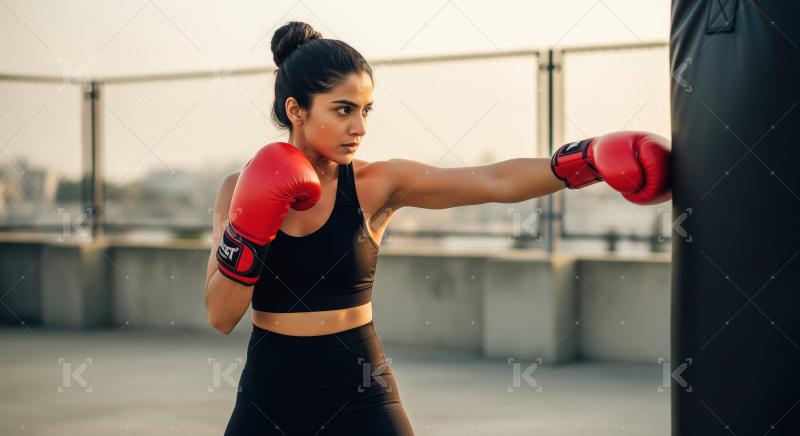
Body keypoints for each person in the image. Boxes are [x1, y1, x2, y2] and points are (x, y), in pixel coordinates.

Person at [204, 21, 671, 436]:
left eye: (367, 110)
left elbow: (492, 180)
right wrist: (251, 226)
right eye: (343, 109)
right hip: (270, 392)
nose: (359, 127)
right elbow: (221, 315)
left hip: (360, 385)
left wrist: (584, 160)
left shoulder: (376, 183)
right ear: (296, 110)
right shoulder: (237, 188)